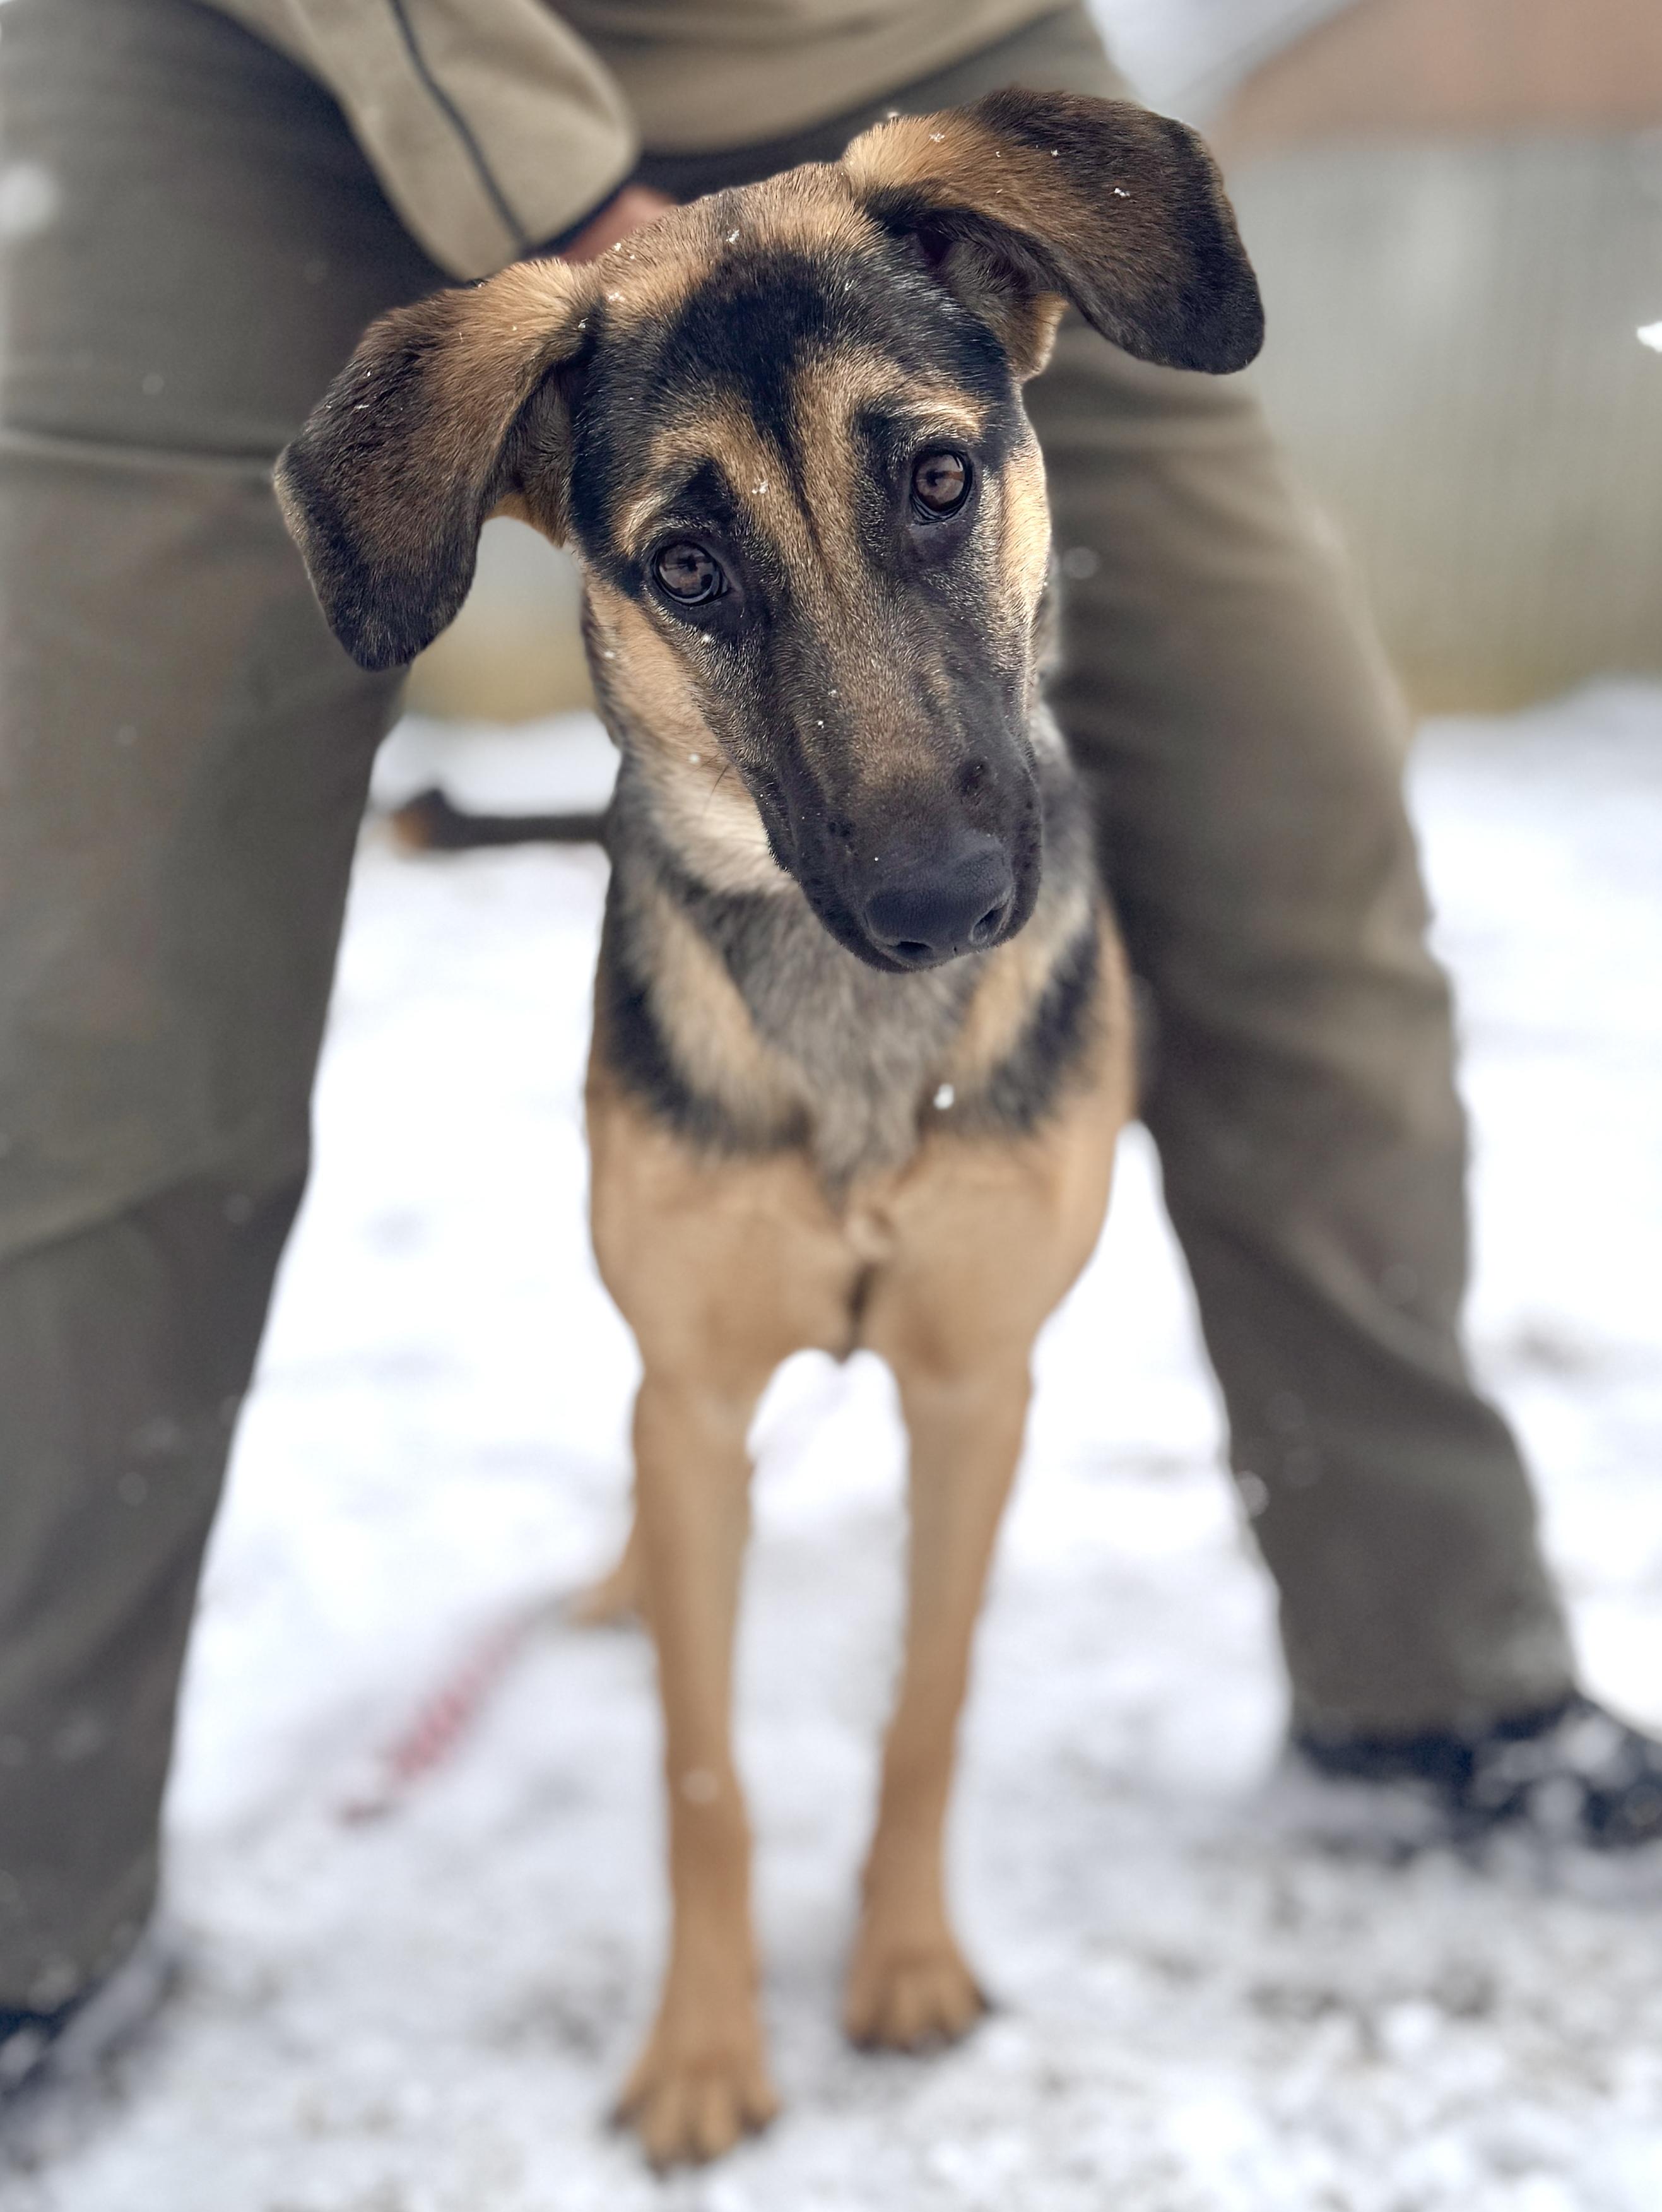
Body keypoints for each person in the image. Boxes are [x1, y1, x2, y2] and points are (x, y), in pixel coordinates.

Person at [2, 0, 1658, 2104]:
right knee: (97, 1013)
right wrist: (544, 193)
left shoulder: (970, 249)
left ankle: (1432, 1668)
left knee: (1298, 840)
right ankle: (22, 1889)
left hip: (890, 46)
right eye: (684, 568)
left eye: (946, 475)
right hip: (277, 64)